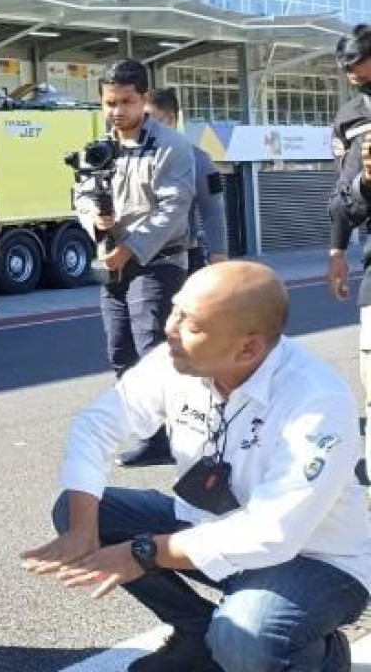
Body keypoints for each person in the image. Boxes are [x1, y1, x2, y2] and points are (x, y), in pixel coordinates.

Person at [22, 261, 371, 672]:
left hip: (313, 559)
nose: (170, 329)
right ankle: (196, 635)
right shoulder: (176, 359)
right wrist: (83, 529)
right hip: (204, 524)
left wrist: (144, 552)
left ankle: (323, 659)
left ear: (248, 348)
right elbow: (97, 425)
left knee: (248, 636)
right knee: (77, 507)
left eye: (191, 324)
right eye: (174, 310)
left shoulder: (317, 399)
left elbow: (272, 533)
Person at [73, 59, 195, 469]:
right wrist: (94, 218)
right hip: (112, 262)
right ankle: (149, 434)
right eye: (110, 103)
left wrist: (130, 247)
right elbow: (82, 192)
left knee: (152, 349)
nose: (117, 111)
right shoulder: (98, 147)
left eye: (126, 101)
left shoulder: (171, 147)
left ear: (144, 98)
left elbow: (173, 209)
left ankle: (182, 432)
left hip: (157, 260)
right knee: (120, 351)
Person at [326, 23, 371, 479]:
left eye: (356, 60)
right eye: (344, 64)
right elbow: (342, 197)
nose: (349, 70)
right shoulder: (349, 118)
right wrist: (336, 250)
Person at [146, 88, 228, 274]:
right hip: (135, 255)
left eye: (149, 119)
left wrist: (218, 255)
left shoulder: (199, 159)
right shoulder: (130, 159)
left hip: (183, 257)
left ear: (171, 120)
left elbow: (213, 210)